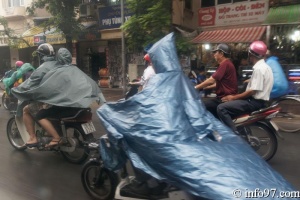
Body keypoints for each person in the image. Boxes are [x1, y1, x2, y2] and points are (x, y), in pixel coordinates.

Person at [12, 46, 104, 148]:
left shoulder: (49, 69)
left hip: (54, 100)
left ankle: (35, 138)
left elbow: (34, 84)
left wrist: (16, 91)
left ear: (41, 55)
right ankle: (50, 133)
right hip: (76, 102)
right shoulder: (72, 69)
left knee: (31, 111)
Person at [217, 41, 274, 132]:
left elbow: (252, 91)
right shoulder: (266, 67)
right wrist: (250, 81)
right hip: (260, 101)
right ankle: (240, 130)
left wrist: (233, 97)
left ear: (252, 55)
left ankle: (234, 136)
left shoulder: (258, 69)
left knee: (221, 108)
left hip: (253, 102)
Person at [194, 43, 238, 118]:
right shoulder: (227, 63)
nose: (214, 55)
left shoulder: (225, 64)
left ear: (221, 54)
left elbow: (211, 80)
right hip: (223, 97)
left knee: (200, 105)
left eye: (216, 52)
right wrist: (205, 88)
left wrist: (195, 87)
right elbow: (220, 83)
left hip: (224, 98)